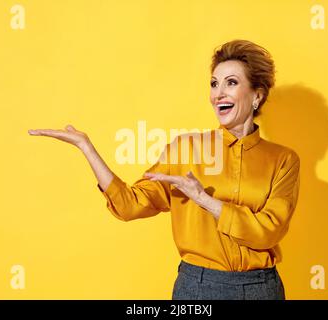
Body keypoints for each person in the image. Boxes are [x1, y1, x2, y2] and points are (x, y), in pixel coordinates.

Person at [28, 39, 300, 300]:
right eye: (214, 84)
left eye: (231, 83)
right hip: (199, 287)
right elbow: (129, 205)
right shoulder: (184, 150)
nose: (219, 93)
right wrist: (87, 148)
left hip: (261, 288)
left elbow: (269, 231)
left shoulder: (283, 160)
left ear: (257, 95)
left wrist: (204, 199)